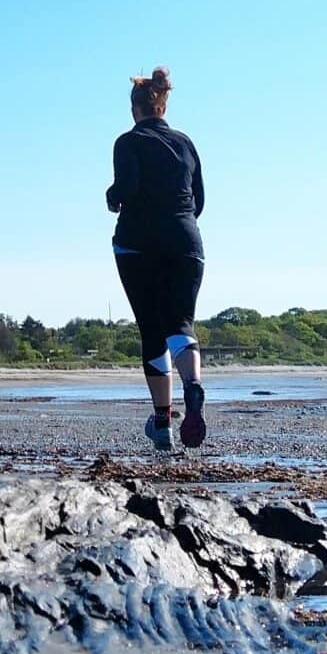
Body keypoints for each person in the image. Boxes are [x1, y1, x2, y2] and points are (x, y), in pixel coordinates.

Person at [106, 67, 206, 451]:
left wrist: (112, 197)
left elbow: (126, 188)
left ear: (135, 109)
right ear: (163, 106)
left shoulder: (127, 142)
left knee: (151, 330)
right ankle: (193, 387)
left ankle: (162, 421)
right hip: (185, 240)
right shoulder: (185, 143)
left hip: (138, 243)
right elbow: (199, 200)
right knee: (181, 323)